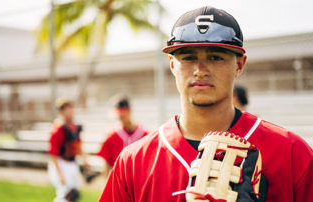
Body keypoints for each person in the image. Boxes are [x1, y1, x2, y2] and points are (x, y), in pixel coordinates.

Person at [99, 6, 313, 202]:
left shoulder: (292, 154)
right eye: (189, 57)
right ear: (173, 64)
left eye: (215, 57)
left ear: (239, 65)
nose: (200, 69)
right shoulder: (133, 161)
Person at [48, 98, 89, 202]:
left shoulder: (73, 128)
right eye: (68, 109)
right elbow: (53, 155)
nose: (71, 112)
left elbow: (78, 145)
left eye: (72, 109)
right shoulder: (57, 130)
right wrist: (60, 175)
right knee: (64, 194)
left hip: (72, 163)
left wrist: (85, 160)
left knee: (74, 195)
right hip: (61, 164)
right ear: (61, 112)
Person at [97, 95, 148, 176]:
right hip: (119, 180)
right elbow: (106, 165)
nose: (122, 119)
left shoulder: (145, 135)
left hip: (139, 179)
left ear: (129, 111)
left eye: (123, 115)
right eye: (120, 117)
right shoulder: (110, 135)